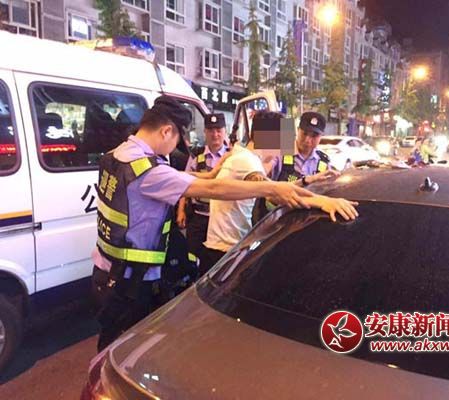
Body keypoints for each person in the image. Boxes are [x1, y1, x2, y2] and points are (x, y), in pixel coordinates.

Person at [91, 96, 321, 351]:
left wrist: (212, 173)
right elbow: (212, 189)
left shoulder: (119, 154)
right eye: (177, 139)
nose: (177, 147)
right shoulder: (148, 171)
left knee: (114, 340)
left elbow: (177, 177)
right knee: (123, 350)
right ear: (166, 131)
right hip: (130, 280)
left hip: (107, 269)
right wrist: (277, 189)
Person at [200, 111, 358, 276]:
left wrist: (307, 180)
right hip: (225, 250)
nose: (283, 147)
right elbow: (274, 193)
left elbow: (275, 187)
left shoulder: (242, 155)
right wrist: (323, 202)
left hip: (226, 246)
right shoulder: (248, 162)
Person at [176, 113, 230, 261]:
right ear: (205, 132)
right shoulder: (196, 155)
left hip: (222, 218)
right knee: (193, 254)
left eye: (219, 130)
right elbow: (185, 184)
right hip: (199, 217)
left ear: (225, 131)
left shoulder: (232, 156)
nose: (215, 134)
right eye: (211, 130)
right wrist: (181, 211)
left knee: (218, 257)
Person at [268, 111, 336, 185]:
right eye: (305, 133)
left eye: (314, 136)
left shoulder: (324, 162)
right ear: (298, 130)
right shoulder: (279, 153)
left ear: (321, 137)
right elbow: (264, 182)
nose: (307, 140)